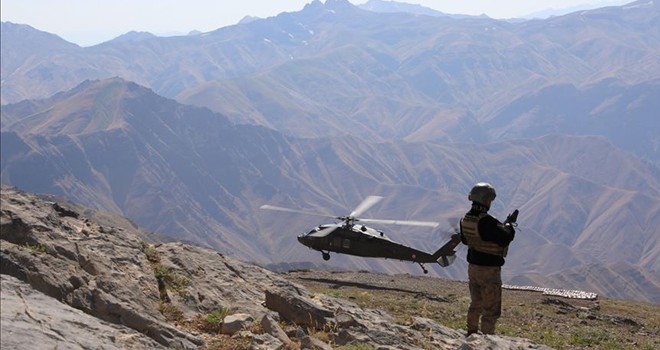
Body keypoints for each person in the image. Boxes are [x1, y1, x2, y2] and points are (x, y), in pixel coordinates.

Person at [460, 182, 515, 336]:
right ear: (485, 200)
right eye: (490, 200)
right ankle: (487, 340)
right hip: (489, 270)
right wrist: (509, 226)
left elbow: (465, 240)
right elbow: (505, 238)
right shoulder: (487, 221)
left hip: (473, 268)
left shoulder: (466, 219)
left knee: (476, 303)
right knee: (491, 309)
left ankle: (471, 333)